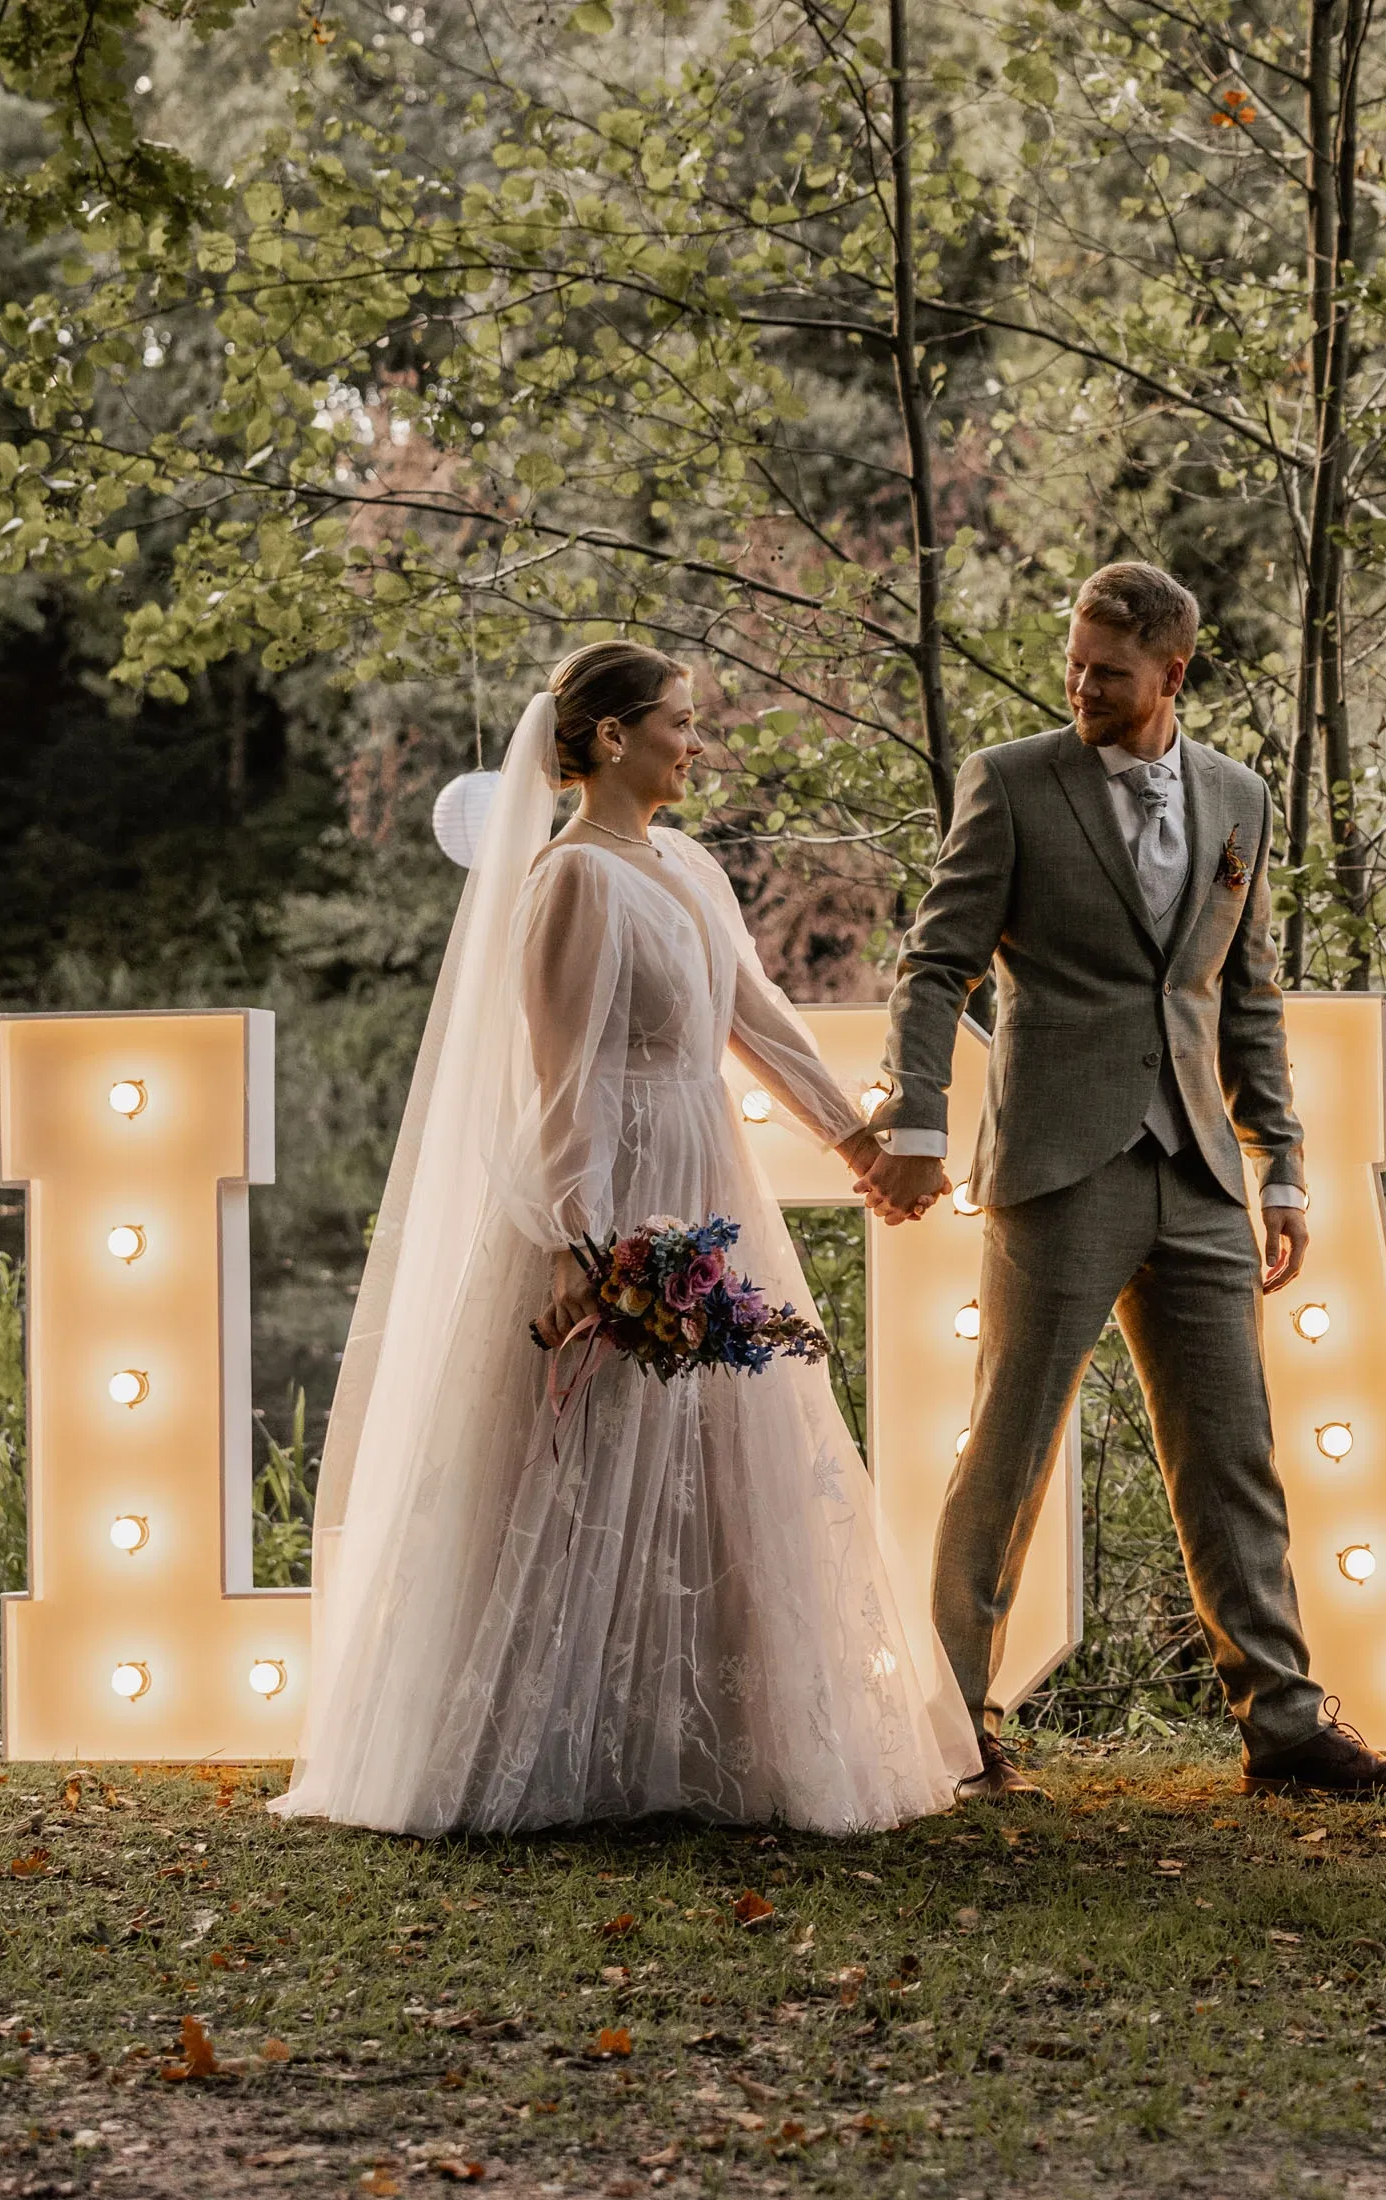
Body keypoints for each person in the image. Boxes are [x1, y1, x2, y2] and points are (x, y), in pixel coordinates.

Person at [272, 642, 980, 1836]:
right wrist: (578, 1241)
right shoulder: (571, 882)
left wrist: (853, 1142)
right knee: (591, 1443)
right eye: (678, 722)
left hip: (707, 1171)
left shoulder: (687, 863)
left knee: (718, 1444)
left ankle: (710, 1736)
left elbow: (753, 1014)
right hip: (617, 1188)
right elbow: (568, 1080)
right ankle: (552, 1740)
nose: (696, 742)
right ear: (611, 738)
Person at [856, 562, 1386, 1800]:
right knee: (1007, 1453)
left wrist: (1280, 1164)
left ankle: (1282, 1730)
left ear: (1172, 673)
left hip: (1201, 1171)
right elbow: (933, 964)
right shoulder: (1011, 784)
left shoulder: (1238, 796)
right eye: (1074, 662)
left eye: (1109, 673)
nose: (1080, 685)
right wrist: (913, 1110)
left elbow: (1246, 991)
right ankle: (957, 1728)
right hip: (1058, 1167)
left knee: (1234, 1452)